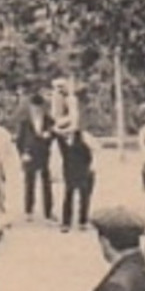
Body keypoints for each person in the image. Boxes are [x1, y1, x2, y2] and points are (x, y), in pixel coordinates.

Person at [52, 80, 94, 232]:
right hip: (70, 171)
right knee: (68, 196)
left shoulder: (81, 139)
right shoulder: (62, 142)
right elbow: (56, 130)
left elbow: (89, 155)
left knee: (84, 197)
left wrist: (88, 168)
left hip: (83, 171)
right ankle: (66, 222)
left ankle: (83, 221)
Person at [17, 93, 55, 222]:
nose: (37, 110)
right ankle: (28, 211)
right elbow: (20, 140)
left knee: (47, 183)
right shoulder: (25, 121)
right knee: (29, 183)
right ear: (30, 107)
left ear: (43, 108)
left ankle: (48, 211)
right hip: (30, 154)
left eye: (39, 108)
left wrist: (48, 136)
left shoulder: (49, 120)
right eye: (34, 107)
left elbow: (55, 136)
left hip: (44, 154)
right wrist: (22, 154)